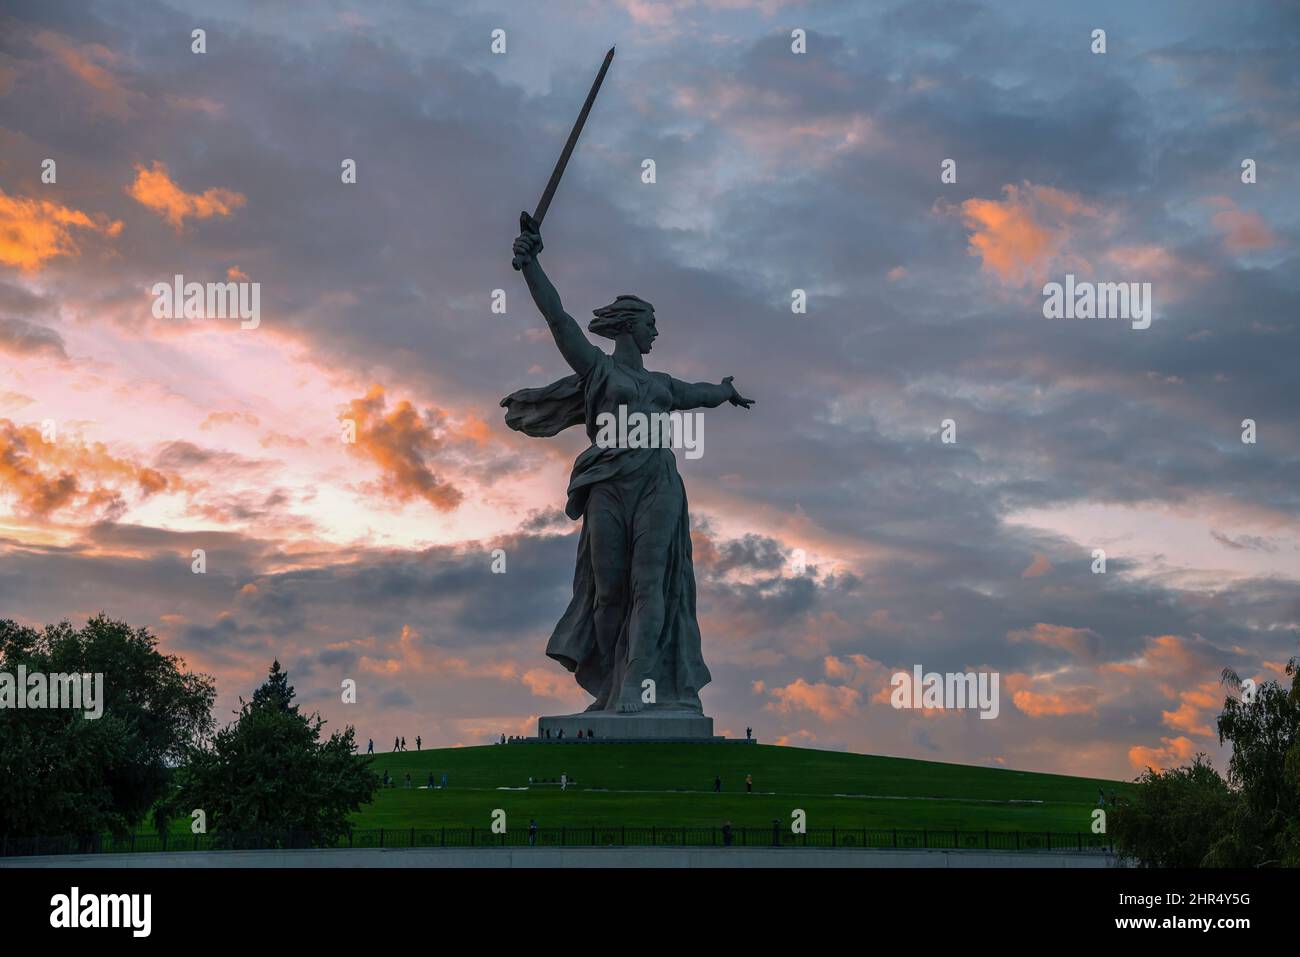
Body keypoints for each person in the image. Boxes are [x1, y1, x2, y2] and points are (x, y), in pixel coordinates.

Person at [504, 220, 753, 715]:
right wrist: (531, 264)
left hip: (656, 480)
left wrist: (725, 391)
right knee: (608, 591)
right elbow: (559, 320)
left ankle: (638, 687)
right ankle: (610, 687)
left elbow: (699, 393)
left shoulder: (662, 384)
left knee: (650, 582)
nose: (656, 330)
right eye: (651, 323)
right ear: (629, 325)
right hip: (606, 483)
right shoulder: (598, 369)